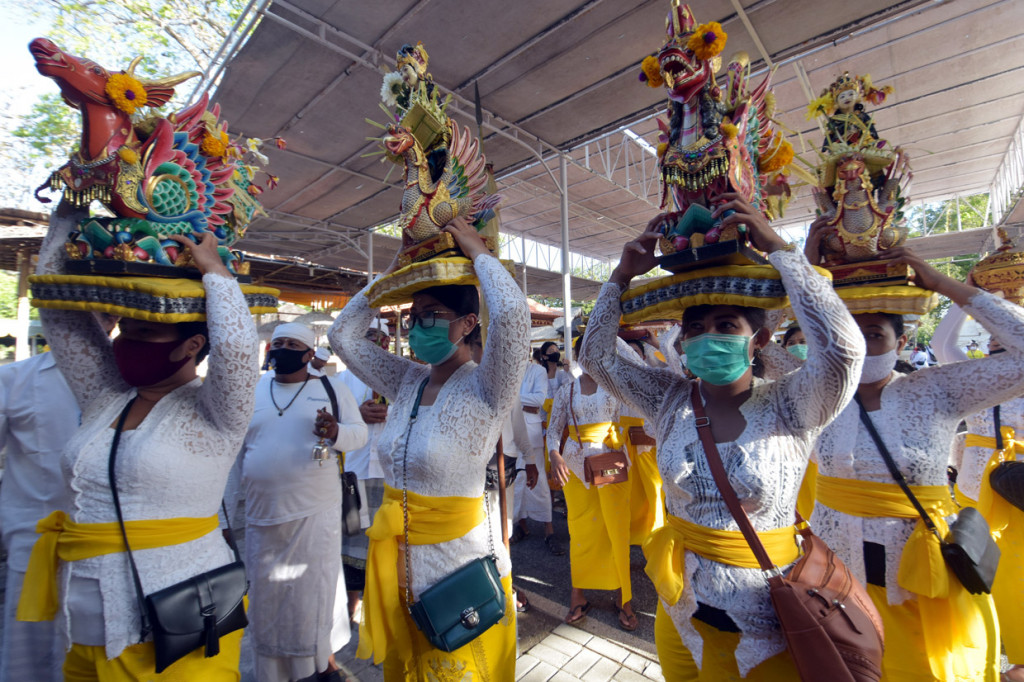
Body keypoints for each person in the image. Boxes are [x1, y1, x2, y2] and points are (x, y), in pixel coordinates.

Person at [582, 197, 864, 680]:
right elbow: (596, 356)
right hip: (680, 610)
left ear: (758, 340)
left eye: (726, 326)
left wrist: (780, 250)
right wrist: (619, 278)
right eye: (696, 329)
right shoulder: (669, 398)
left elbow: (841, 349)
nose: (708, 337)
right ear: (682, 342)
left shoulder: (792, 403)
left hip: (767, 616)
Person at [19, 203, 259, 680]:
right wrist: (66, 216)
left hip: (176, 628)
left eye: (144, 331)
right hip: (84, 625)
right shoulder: (106, 396)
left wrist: (216, 276)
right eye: (124, 329)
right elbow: (56, 310)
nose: (125, 340)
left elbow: (237, 350)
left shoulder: (217, 412)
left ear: (192, 345)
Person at [330, 217, 529, 679]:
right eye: (413, 316)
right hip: (398, 569)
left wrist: (479, 255)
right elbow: (343, 335)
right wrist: (392, 276)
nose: (418, 326)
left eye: (431, 315)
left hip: (456, 572)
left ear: (467, 323)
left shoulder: (487, 386)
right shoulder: (406, 380)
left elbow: (514, 319)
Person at [810, 247, 1019, 681]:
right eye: (847, 334)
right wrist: (806, 271)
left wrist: (945, 284)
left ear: (901, 342)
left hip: (919, 576)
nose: (860, 346)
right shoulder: (812, 393)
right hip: (836, 575)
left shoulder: (937, 389)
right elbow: (754, 340)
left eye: (874, 334)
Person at [240, 322, 367, 682]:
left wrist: (336, 431)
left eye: (291, 344)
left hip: (315, 512)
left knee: (311, 590)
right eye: (276, 343)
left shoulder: (332, 388)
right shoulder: (255, 388)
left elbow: (358, 435)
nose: (281, 349)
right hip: (261, 514)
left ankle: (319, 665)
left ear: (309, 354)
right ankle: (274, 671)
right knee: (267, 595)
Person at [0, 316, 114, 682]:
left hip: (106, 548)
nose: (103, 322)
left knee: (93, 651)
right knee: (28, 655)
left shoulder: (130, 381)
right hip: (32, 543)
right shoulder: (16, 380)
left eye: (110, 314)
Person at [933, 299, 1024, 680]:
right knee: (976, 565)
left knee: (1015, 570)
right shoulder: (974, 375)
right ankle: (984, 644)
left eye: (1001, 345)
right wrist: (964, 296)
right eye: (991, 346)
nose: (993, 351)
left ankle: (1017, 659)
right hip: (975, 489)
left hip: (1016, 489)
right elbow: (940, 343)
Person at [548, 336, 636, 630]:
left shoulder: (616, 387)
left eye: (598, 349)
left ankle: (625, 598)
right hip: (574, 468)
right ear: (580, 354)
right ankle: (578, 596)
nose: (592, 356)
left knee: (616, 531)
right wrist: (555, 457)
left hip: (612, 465)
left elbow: (634, 416)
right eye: (587, 350)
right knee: (581, 531)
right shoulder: (566, 390)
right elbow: (552, 431)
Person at [338, 318, 392, 623]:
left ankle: (379, 605)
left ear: (386, 341)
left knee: (383, 541)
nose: (372, 342)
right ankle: (353, 603)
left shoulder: (401, 379)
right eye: (366, 336)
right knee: (354, 539)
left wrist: (391, 412)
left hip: (388, 473)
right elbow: (333, 421)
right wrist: (357, 415)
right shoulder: (344, 380)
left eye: (376, 336)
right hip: (355, 472)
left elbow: (415, 413)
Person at [513, 345, 561, 555]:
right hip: (510, 432)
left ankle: (549, 530)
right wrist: (523, 402)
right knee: (515, 481)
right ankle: (520, 526)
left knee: (539, 481)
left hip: (531, 433)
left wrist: (512, 400)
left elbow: (539, 400)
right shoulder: (507, 371)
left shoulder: (538, 371)